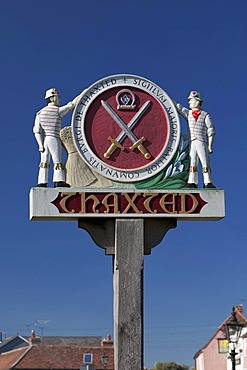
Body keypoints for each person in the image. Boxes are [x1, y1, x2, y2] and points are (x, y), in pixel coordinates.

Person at [33, 88, 79, 187]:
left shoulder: (40, 113)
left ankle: (42, 182)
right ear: (52, 98)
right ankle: (59, 180)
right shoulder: (57, 111)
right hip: (54, 138)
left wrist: (40, 144)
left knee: (44, 161)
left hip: (45, 139)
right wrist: (82, 94)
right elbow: (70, 105)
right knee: (57, 160)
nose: (59, 99)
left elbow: (37, 131)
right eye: (57, 97)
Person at [176, 90, 216, 188]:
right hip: (192, 141)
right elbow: (179, 108)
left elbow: (211, 130)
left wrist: (210, 145)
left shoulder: (205, 115)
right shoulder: (189, 113)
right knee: (192, 161)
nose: (189, 102)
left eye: (191, 100)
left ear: (197, 101)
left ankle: (208, 182)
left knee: (204, 162)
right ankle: (192, 181)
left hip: (202, 141)